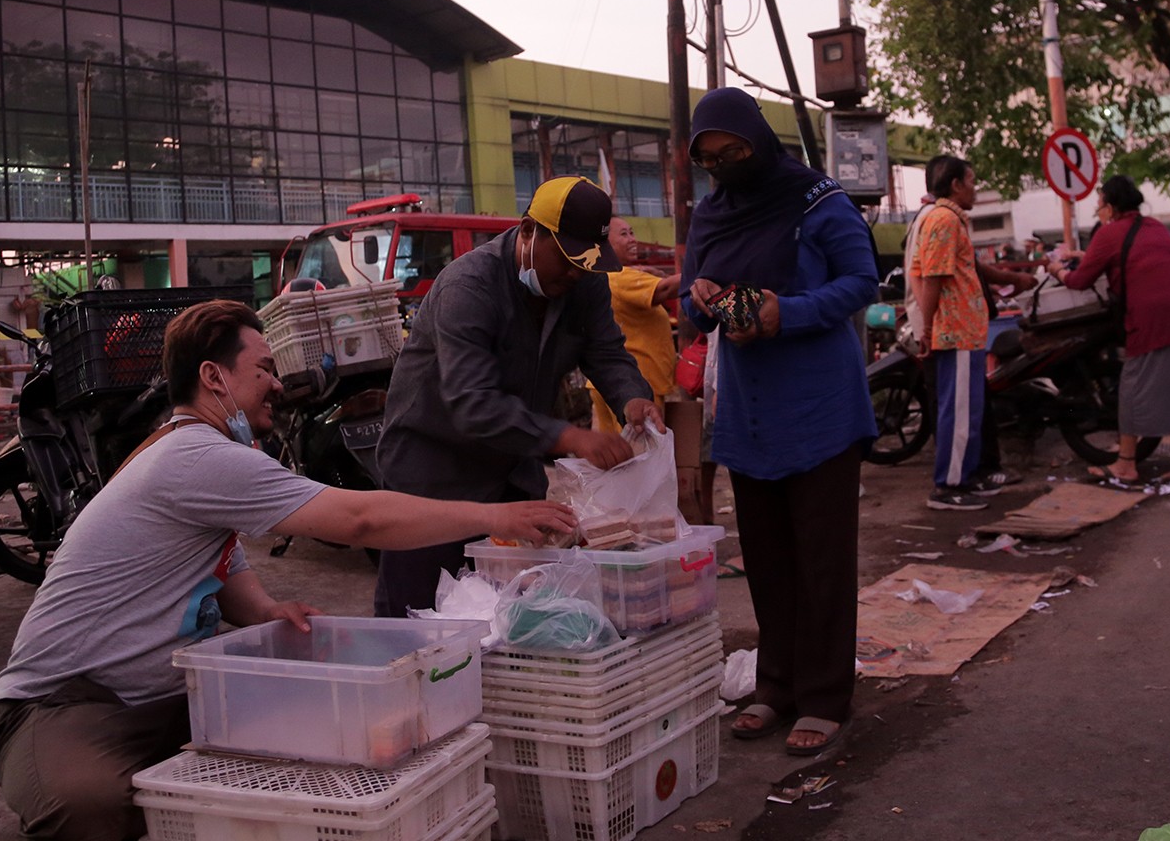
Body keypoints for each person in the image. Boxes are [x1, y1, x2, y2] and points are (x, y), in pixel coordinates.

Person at [0, 300, 575, 841]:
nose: (275, 384)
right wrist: (498, 514)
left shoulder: (192, 450)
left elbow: (223, 556)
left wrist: (265, 611)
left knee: (312, 733)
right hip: (61, 704)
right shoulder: (196, 454)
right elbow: (360, 519)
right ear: (214, 377)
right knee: (87, 806)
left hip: (163, 696)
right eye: (262, 369)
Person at [680, 87, 877, 758]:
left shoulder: (817, 199)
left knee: (821, 560)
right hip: (748, 412)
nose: (725, 165)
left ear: (757, 139)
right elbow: (689, 298)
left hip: (820, 407)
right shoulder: (709, 218)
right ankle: (776, 685)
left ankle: (824, 696)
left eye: (733, 151)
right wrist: (703, 300)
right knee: (767, 561)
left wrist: (782, 312)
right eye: (711, 159)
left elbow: (861, 279)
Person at [373, 176, 662, 619]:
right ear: (528, 231)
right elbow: (471, 400)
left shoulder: (584, 282)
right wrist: (570, 437)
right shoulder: (468, 287)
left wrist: (633, 398)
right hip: (431, 469)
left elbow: (605, 352)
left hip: (511, 464)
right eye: (566, 259)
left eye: (586, 262)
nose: (575, 272)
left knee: (509, 612)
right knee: (419, 615)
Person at [1046, 176, 1170, 484]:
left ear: (1110, 207)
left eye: (1100, 206)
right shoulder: (1155, 227)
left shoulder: (1109, 233)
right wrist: (1086, 258)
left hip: (1155, 316)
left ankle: (1125, 463)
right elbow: (1137, 258)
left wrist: (1057, 269)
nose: (1100, 211)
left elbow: (1080, 281)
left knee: (1134, 386)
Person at [910, 155, 990, 510]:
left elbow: (918, 271)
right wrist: (927, 328)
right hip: (955, 331)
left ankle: (964, 478)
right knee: (958, 414)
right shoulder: (944, 220)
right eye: (971, 181)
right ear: (955, 185)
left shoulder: (943, 220)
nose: (975, 189)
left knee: (964, 411)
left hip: (963, 332)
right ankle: (949, 486)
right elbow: (932, 278)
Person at [588, 216, 682, 432]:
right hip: (635, 385)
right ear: (605, 244)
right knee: (639, 459)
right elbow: (665, 290)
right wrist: (707, 274)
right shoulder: (620, 277)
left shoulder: (606, 275)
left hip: (619, 381)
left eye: (632, 232)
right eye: (624, 234)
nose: (633, 239)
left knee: (620, 457)